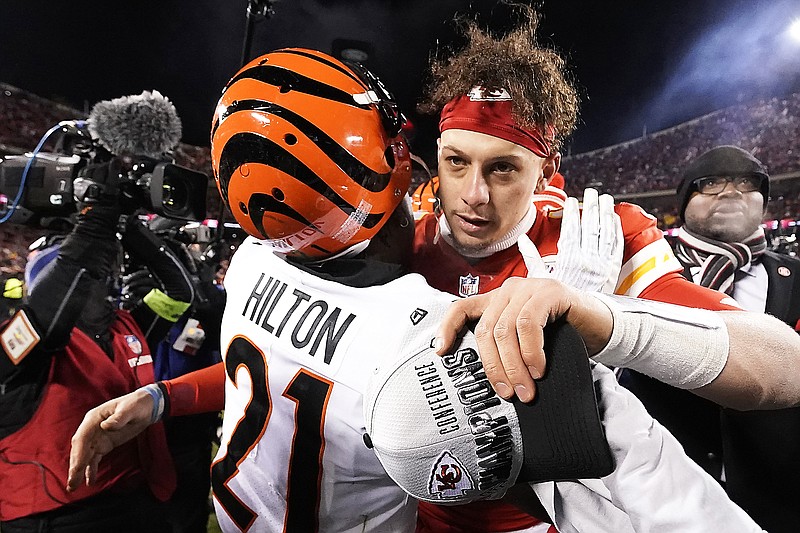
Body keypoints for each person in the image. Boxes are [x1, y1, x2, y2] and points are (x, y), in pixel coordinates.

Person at [68, 47, 800, 532]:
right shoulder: (396, 223)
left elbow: (780, 367)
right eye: (455, 161)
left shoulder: (593, 237)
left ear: (546, 170)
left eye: (503, 168)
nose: (472, 196)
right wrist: (167, 395)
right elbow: (295, 363)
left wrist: (604, 321)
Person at [622, 145, 800, 533]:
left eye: (746, 182)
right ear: (685, 201)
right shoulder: (639, 272)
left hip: (779, 494)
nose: (730, 191)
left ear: (764, 202)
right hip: (659, 489)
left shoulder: (796, 275)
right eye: (711, 183)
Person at [0, 200, 177, 532]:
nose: (100, 281)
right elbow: (49, 310)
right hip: (58, 514)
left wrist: (132, 229)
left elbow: (179, 293)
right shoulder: (26, 338)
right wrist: (98, 217)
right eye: (90, 276)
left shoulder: (126, 325)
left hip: (138, 496)